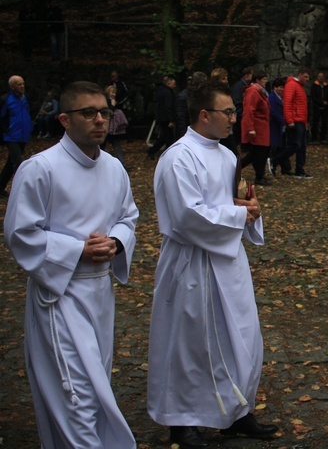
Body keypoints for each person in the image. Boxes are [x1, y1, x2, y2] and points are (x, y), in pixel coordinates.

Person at [4, 80, 139, 448]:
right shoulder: (40, 168)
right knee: (74, 391)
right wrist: (76, 250)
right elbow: (20, 233)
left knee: (96, 385)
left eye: (105, 112)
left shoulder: (114, 168)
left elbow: (128, 218)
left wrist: (115, 242)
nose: (100, 120)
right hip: (59, 294)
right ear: (64, 119)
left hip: (100, 293)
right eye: (88, 113)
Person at [148, 80, 278, 448]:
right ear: (204, 115)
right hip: (191, 261)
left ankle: (235, 411)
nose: (234, 119)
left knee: (240, 335)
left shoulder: (225, 155)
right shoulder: (179, 157)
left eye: (234, 112)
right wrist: (238, 216)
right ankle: (183, 419)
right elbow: (186, 216)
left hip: (228, 260)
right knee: (191, 343)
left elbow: (227, 203)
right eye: (229, 112)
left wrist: (248, 210)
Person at [273, 66, 313, 179]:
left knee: (301, 147)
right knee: (296, 145)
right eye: (305, 76)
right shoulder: (292, 85)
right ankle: (275, 161)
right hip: (295, 120)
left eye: (308, 77)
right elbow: (288, 104)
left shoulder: (299, 86)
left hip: (300, 120)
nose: (307, 79)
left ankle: (299, 170)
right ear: (299, 75)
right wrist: (289, 120)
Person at [0, 75, 33, 197]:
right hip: (11, 135)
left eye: (23, 83)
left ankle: (0, 186)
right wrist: (4, 132)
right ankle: (21, 191)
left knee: (11, 162)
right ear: (12, 86)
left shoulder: (24, 98)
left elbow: (27, 113)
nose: (22, 86)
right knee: (18, 163)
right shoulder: (6, 99)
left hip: (23, 135)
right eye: (19, 84)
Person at [240, 72, 273, 186]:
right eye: (264, 79)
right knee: (258, 153)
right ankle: (259, 176)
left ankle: (259, 175)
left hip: (261, 127)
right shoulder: (253, 91)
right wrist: (250, 128)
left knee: (257, 153)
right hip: (257, 128)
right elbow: (249, 110)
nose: (266, 81)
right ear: (257, 80)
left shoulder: (260, 92)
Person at [147, 76, 177, 159]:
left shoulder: (161, 91)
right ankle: (167, 154)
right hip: (166, 119)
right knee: (168, 137)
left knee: (165, 137)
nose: (174, 86)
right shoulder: (168, 93)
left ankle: (153, 150)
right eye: (173, 84)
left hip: (162, 117)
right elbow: (168, 106)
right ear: (169, 84)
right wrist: (171, 119)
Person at [267, 77, 289, 177]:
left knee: (281, 146)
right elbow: (273, 111)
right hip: (275, 124)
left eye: (282, 87)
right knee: (276, 146)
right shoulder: (272, 97)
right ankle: (274, 165)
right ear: (274, 88)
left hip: (280, 125)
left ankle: (285, 167)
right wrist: (282, 120)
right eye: (278, 87)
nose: (281, 89)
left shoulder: (280, 98)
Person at [102, 85, 128, 168]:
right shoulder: (106, 101)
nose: (114, 94)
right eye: (112, 92)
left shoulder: (113, 100)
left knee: (116, 144)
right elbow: (108, 113)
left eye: (115, 93)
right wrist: (113, 106)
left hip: (112, 127)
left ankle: (122, 163)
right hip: (108, 127)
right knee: (104, 144)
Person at [175, 71, 208, 139]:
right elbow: (181, 118)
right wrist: (183, 136)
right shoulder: (184, 97)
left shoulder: (199, 95)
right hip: (188, 131)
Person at [231, 67, 254, 143]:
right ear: (246, 76)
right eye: (251, 75)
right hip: (240, 120)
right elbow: (237, 103)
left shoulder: (246, 86)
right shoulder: (239, 87)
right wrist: (242, 115)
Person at [310, 71, 328, 144]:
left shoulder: (327, 86)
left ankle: (323, 138)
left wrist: (327, 102)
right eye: (320, 76)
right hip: (317, 107)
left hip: (325, 108)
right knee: (315, 123)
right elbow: (313, 97)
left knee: (324, 123)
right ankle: (314, 139)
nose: (321, 78)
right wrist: (321, 102)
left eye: (322, 76)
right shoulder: (314, 86)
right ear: (317, 77)